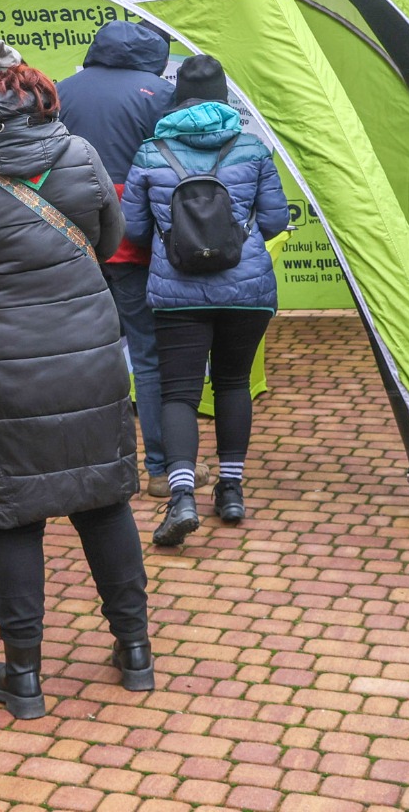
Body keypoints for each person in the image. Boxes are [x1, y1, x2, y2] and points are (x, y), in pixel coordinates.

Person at [0, 40, 151, 721]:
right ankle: (134, 652)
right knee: (104, 501)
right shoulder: (78, 153)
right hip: (88, 357)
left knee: (12, 519)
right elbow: (108, 242)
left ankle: (24, 678)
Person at [121, 54, 289, 548]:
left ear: (176, 98)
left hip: (176, 293)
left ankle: (183, 496)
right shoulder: (253, 148)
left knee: (178, 392)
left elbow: (132, 228)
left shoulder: (151, 153)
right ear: (223, 96)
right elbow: (277, 221)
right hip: (248, 289)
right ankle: (231, 490)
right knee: (233, 381)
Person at [56, 21, 177, 496]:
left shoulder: (60, 90)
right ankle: (160, 467)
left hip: (70, 239)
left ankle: (81, 457)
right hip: (132, 241)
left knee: (79, 354)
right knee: (146, 353)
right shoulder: (157, 94)